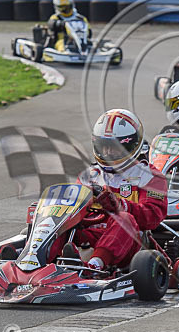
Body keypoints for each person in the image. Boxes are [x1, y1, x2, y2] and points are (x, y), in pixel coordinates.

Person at [65, 109, 167, 272]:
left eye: (114, 147)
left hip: (130, 245)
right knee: (56, 220)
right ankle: (30, 259)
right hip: (92, 236)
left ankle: (93, 267)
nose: (107, 152)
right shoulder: (90, 175)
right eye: (103, 147)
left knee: (124, 219)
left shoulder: (149, 176)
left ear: (132, 145)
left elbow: (152, 218)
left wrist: (120, 205)